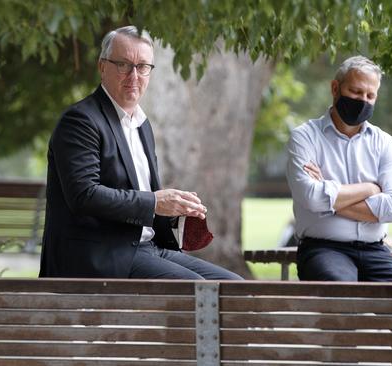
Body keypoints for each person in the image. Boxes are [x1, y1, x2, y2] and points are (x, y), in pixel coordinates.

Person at [39, 26, 241, 280]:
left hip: (147, 248)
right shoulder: (80, 121)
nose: (134, 75)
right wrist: (155, 202)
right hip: (99, 255)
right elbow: (84, 195)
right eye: (123, 65)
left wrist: (177, 209)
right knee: (196, 290)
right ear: (102, 67)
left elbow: (142, 198)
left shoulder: (142, 125)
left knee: (234, 286)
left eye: (143, 66)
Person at [285, 55, 392, 282]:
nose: (362, 100)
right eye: (355, 92)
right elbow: (310, 197)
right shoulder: (304, 137)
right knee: (343, 295)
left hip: (375, 250)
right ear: (335, 88)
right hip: (323, 250)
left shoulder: (385, 143)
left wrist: (329, 198)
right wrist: (371, 189)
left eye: (370, 95)